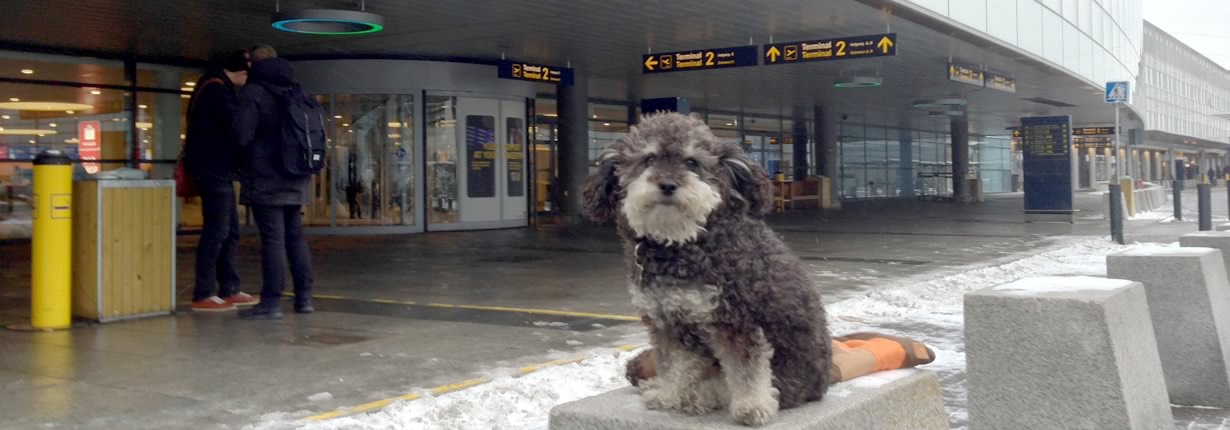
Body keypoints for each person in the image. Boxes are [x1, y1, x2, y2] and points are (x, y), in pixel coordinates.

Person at [234, 45, 315, 319]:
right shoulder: (294, 90)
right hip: (295, 175)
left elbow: (242, 136)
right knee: (295, 238)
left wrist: (243, 164)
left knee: (273, 240)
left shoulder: (254, 91)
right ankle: (304, 299)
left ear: (252, 65)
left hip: (265, 177)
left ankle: (271, 301)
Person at [185, 49, 260, 312]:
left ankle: (229, 288)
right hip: (212, 169)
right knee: (217, 231)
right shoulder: (216, 91)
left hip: (217, 170)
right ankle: (203, 293)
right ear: (240, 72)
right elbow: (235, 127)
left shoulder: (213, 86)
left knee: (229, 231)